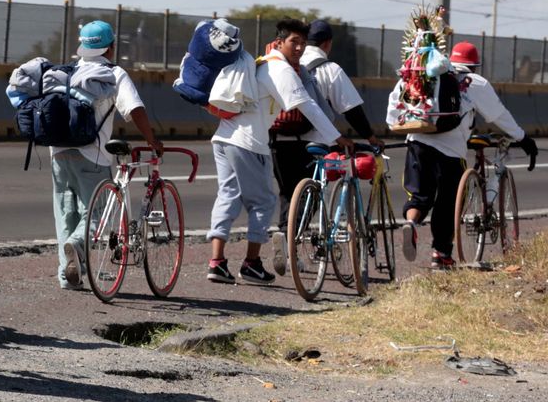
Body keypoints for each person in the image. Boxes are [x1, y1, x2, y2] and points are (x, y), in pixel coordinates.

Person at [209, 18, 350, 285]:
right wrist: (337, 138)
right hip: (247, 142)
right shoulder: (280, 70)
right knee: (263, 202)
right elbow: (306, 105)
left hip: (223, 136)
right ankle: (251, 264)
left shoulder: (261, 62)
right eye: (293, 42)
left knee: (228, 195)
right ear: (280, 42)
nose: (298, 48)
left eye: (302, 43)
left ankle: (217, 262)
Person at [386, 41, 537, 268]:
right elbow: (499, 116)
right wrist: (523, 138)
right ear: (474, 66)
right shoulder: (475, 83)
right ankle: (441, 254)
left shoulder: (419, 72)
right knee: (448, 202)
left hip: (417, 143)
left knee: (420, 197)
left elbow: (392, 115)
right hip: (451, 150)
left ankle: (411, 224)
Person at [51, 20, 162, 290]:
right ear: (111, 48)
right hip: (93, 155)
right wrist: (152, 139)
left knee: (66, 214)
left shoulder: (67, 70)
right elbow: (134, 108)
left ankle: (68, 276)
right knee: (99, 214)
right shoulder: (113, 73)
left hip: (57, 152)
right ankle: (76, 247)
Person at [270, 18, 382, 272]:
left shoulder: (281, 62)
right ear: (327, 43)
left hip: (278, 139)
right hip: (313, 142)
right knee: (311, 195)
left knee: (288, 194)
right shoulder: (329, 69)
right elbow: (351, 109)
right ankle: (293, 244)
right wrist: (370, 137)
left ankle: (284, 238)